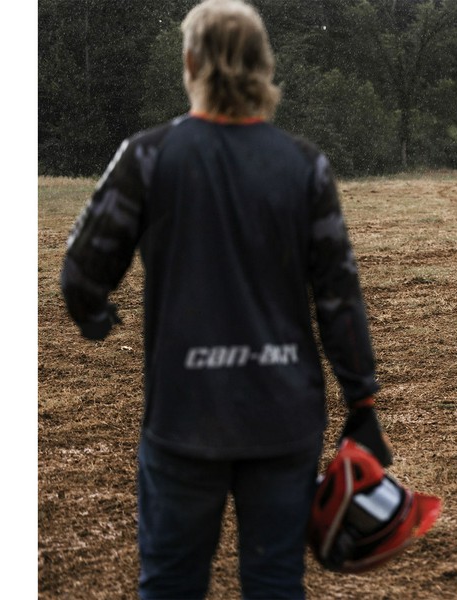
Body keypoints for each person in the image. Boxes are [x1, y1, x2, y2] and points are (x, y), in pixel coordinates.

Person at [60, 1, 391, 598]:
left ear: (190, 63)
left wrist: (95, 316)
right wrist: (361, 402)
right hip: (284, 417)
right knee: (273, 582)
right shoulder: (304, 166)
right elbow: (338, 295)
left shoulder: (148, 155)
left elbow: (81, 271)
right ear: (264, 65)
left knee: (170, 584)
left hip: (185, 416)